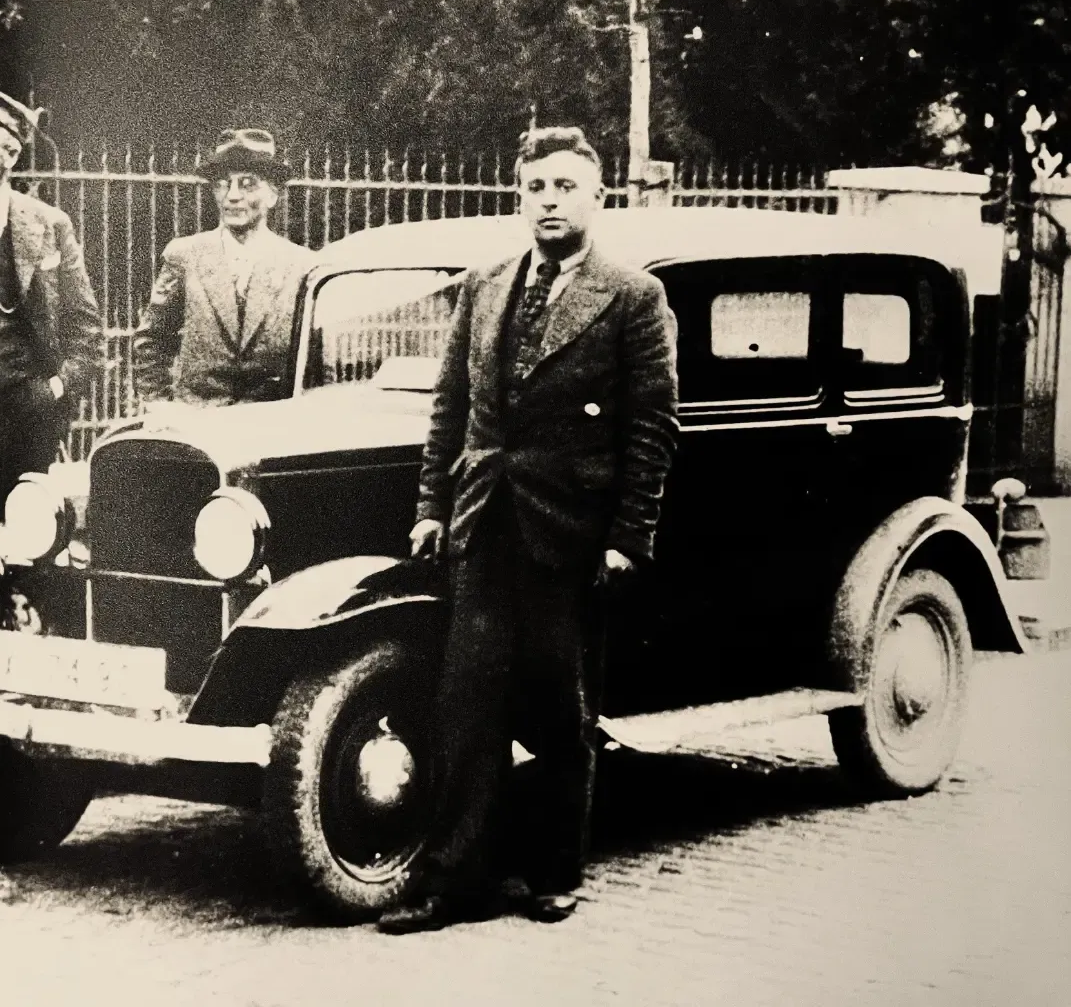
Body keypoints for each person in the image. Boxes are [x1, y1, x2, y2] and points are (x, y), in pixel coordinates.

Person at [378, 126, 679, 934]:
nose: (548, 200)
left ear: (596, 198)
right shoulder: (484, 285)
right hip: (484, 525)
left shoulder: (632, 295)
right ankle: (455, 882)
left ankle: (553, 871)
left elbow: (651, 427)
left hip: (569, 532)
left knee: (558, 709)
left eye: (564, 186)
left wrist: (627, 535)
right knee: (465, 707)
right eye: (535, 187)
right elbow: (449, 410)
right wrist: (430, 509)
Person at [133, 128, 315, 406]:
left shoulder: (302, 266)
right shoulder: (185, 256)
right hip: (199, 425)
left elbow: (316, 355)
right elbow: (151, 341)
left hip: (273, 427)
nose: (232, 196)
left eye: (248, 183)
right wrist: (160, 406)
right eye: (222, 184)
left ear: (273, 195)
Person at [0, 90, 101, 505]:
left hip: (27, 413)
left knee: (28, 540)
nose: (0, 156)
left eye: (8, 148)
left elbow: (85, 326)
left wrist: (56, 389)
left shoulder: (49, 224)